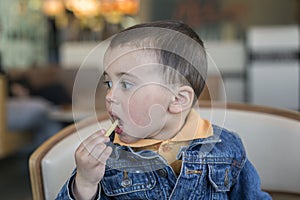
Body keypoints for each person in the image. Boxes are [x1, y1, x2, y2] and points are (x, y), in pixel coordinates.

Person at [57, 20, 271, 199]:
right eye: (109, 84)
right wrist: (84, 184)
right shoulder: (106, 157)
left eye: (127, 84)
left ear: (178, 99)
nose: (110, 96)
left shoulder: (226, 148)